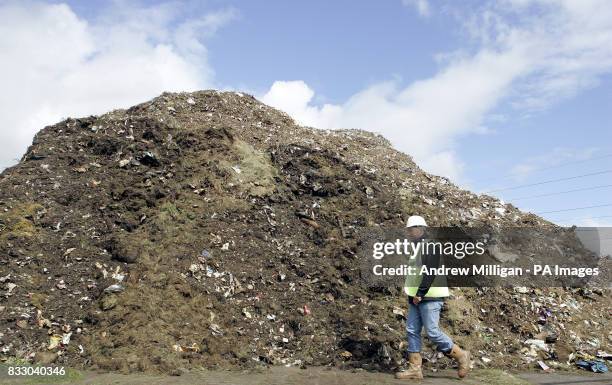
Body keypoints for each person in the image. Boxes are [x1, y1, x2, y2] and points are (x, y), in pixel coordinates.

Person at [395, 215, 471, 380]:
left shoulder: (431, 245)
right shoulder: (417, 247)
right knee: (412, 330)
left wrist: (420, 293)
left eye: (411, 229)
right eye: (407, 229)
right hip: (416, 297)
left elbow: (431, 271)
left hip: (429, 296)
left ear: (421, 229)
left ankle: (460, 355)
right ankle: (415, 368)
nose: (408, 232)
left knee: (432, 332)